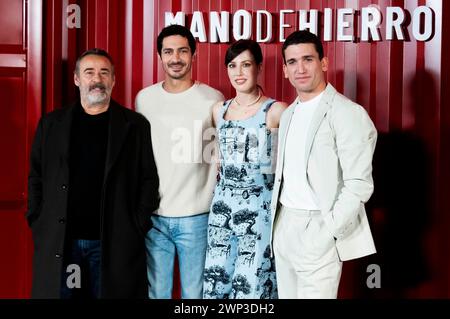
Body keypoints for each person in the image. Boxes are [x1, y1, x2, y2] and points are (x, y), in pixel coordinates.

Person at [27, 48, 159, 298]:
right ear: (77, 79)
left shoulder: (135, 125)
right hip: (64, 243)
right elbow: (36, 176)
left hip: (112, 242)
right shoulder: (51, 124)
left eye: (104, 73)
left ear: (113, 80)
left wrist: (136, 225)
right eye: (89, 72)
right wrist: (38, 219)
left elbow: (148, 180)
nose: (97, 79)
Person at [270, 30, 377, 299]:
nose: (300, 68)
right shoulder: (289, 113)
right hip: (285, 225)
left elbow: (359, 185)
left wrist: (328, 232)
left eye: (308, 59)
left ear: (324, 63)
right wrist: (279, 229)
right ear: (284, 70)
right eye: (292, 62)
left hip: (318, 226)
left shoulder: (347, 113)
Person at [135, 24, 224, 299]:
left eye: (183, 51)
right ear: (159, 56)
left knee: (194, 295)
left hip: (197, 217)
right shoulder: (144, 99)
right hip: (156, 216)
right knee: (157, 293)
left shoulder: (213, 99)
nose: (176, 58)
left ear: (194, 55)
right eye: (169, 51)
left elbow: (220, 156)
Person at [203, 39, 287, 299]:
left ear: (259, 68)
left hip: (258, 209)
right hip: (220, 210)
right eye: (232, 65)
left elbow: (288, 167)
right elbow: (219, 159)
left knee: (251, 284)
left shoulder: (275, 111)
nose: (238, 73)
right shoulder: (220, 110)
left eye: (246, 65)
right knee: (217, 282)